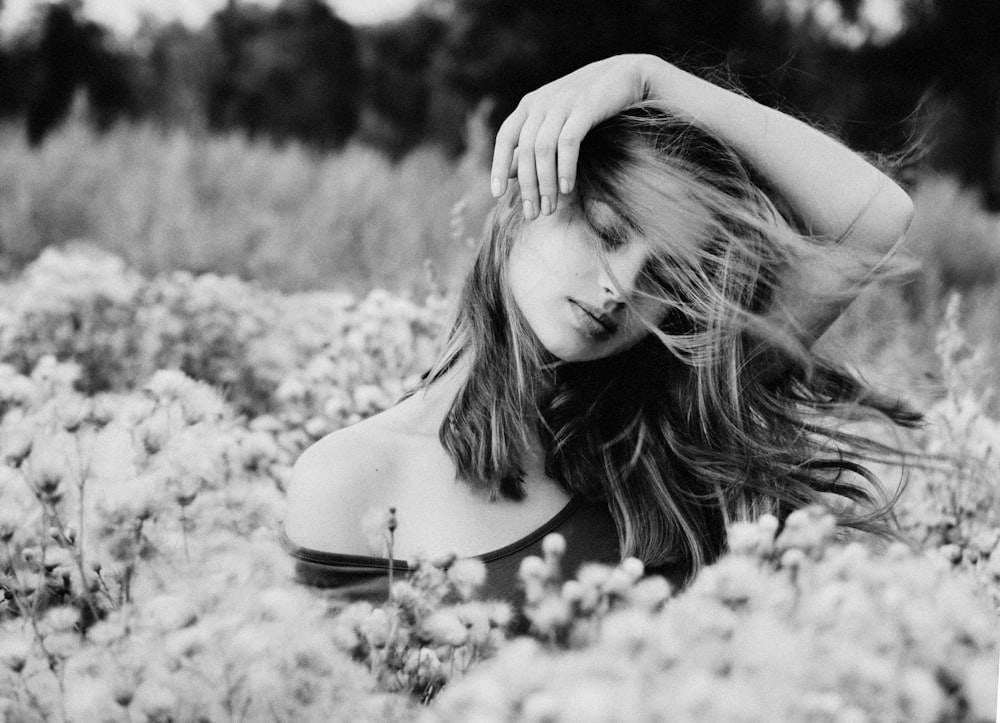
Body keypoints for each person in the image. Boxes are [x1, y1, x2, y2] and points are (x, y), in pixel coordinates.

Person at [280, 54, 918, 607]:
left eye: (666, 275)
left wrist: (648, 78)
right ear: (530, 199)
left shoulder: (674, 419)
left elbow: (876, 216)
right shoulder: (351, 481)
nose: (622, 287)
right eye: (608, 233)